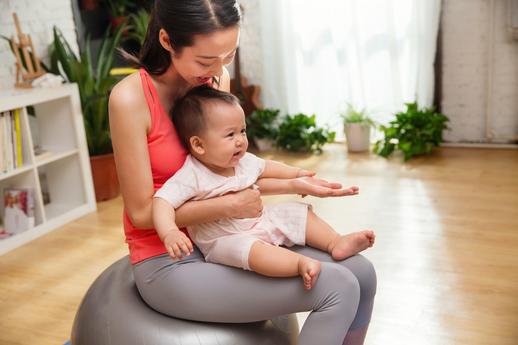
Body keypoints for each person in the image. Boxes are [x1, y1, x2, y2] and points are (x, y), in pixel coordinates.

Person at [109, 1, 376, 344]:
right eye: (206, 60)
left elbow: (232, 172)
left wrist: (297, 182)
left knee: (362, 273)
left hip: (229, 235)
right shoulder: (130, 99)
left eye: (229, 55)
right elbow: (142, 213)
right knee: (337, 287)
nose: (218, 71)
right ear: (166, 39)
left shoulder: (217, 78)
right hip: (169, 260)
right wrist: (229, 206)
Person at [152, 85, 375, 290]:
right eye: (230, 134)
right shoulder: (191, 175)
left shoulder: (240, 160)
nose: (240, 140)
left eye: (243, 131)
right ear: (198, 145)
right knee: (252, 252)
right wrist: (169, 231)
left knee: (298, 212)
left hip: (258, 220)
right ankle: (299, 264)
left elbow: (267, 167)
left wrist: (297, 174)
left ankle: (335, 241)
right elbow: (162, 201)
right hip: (225, 240)